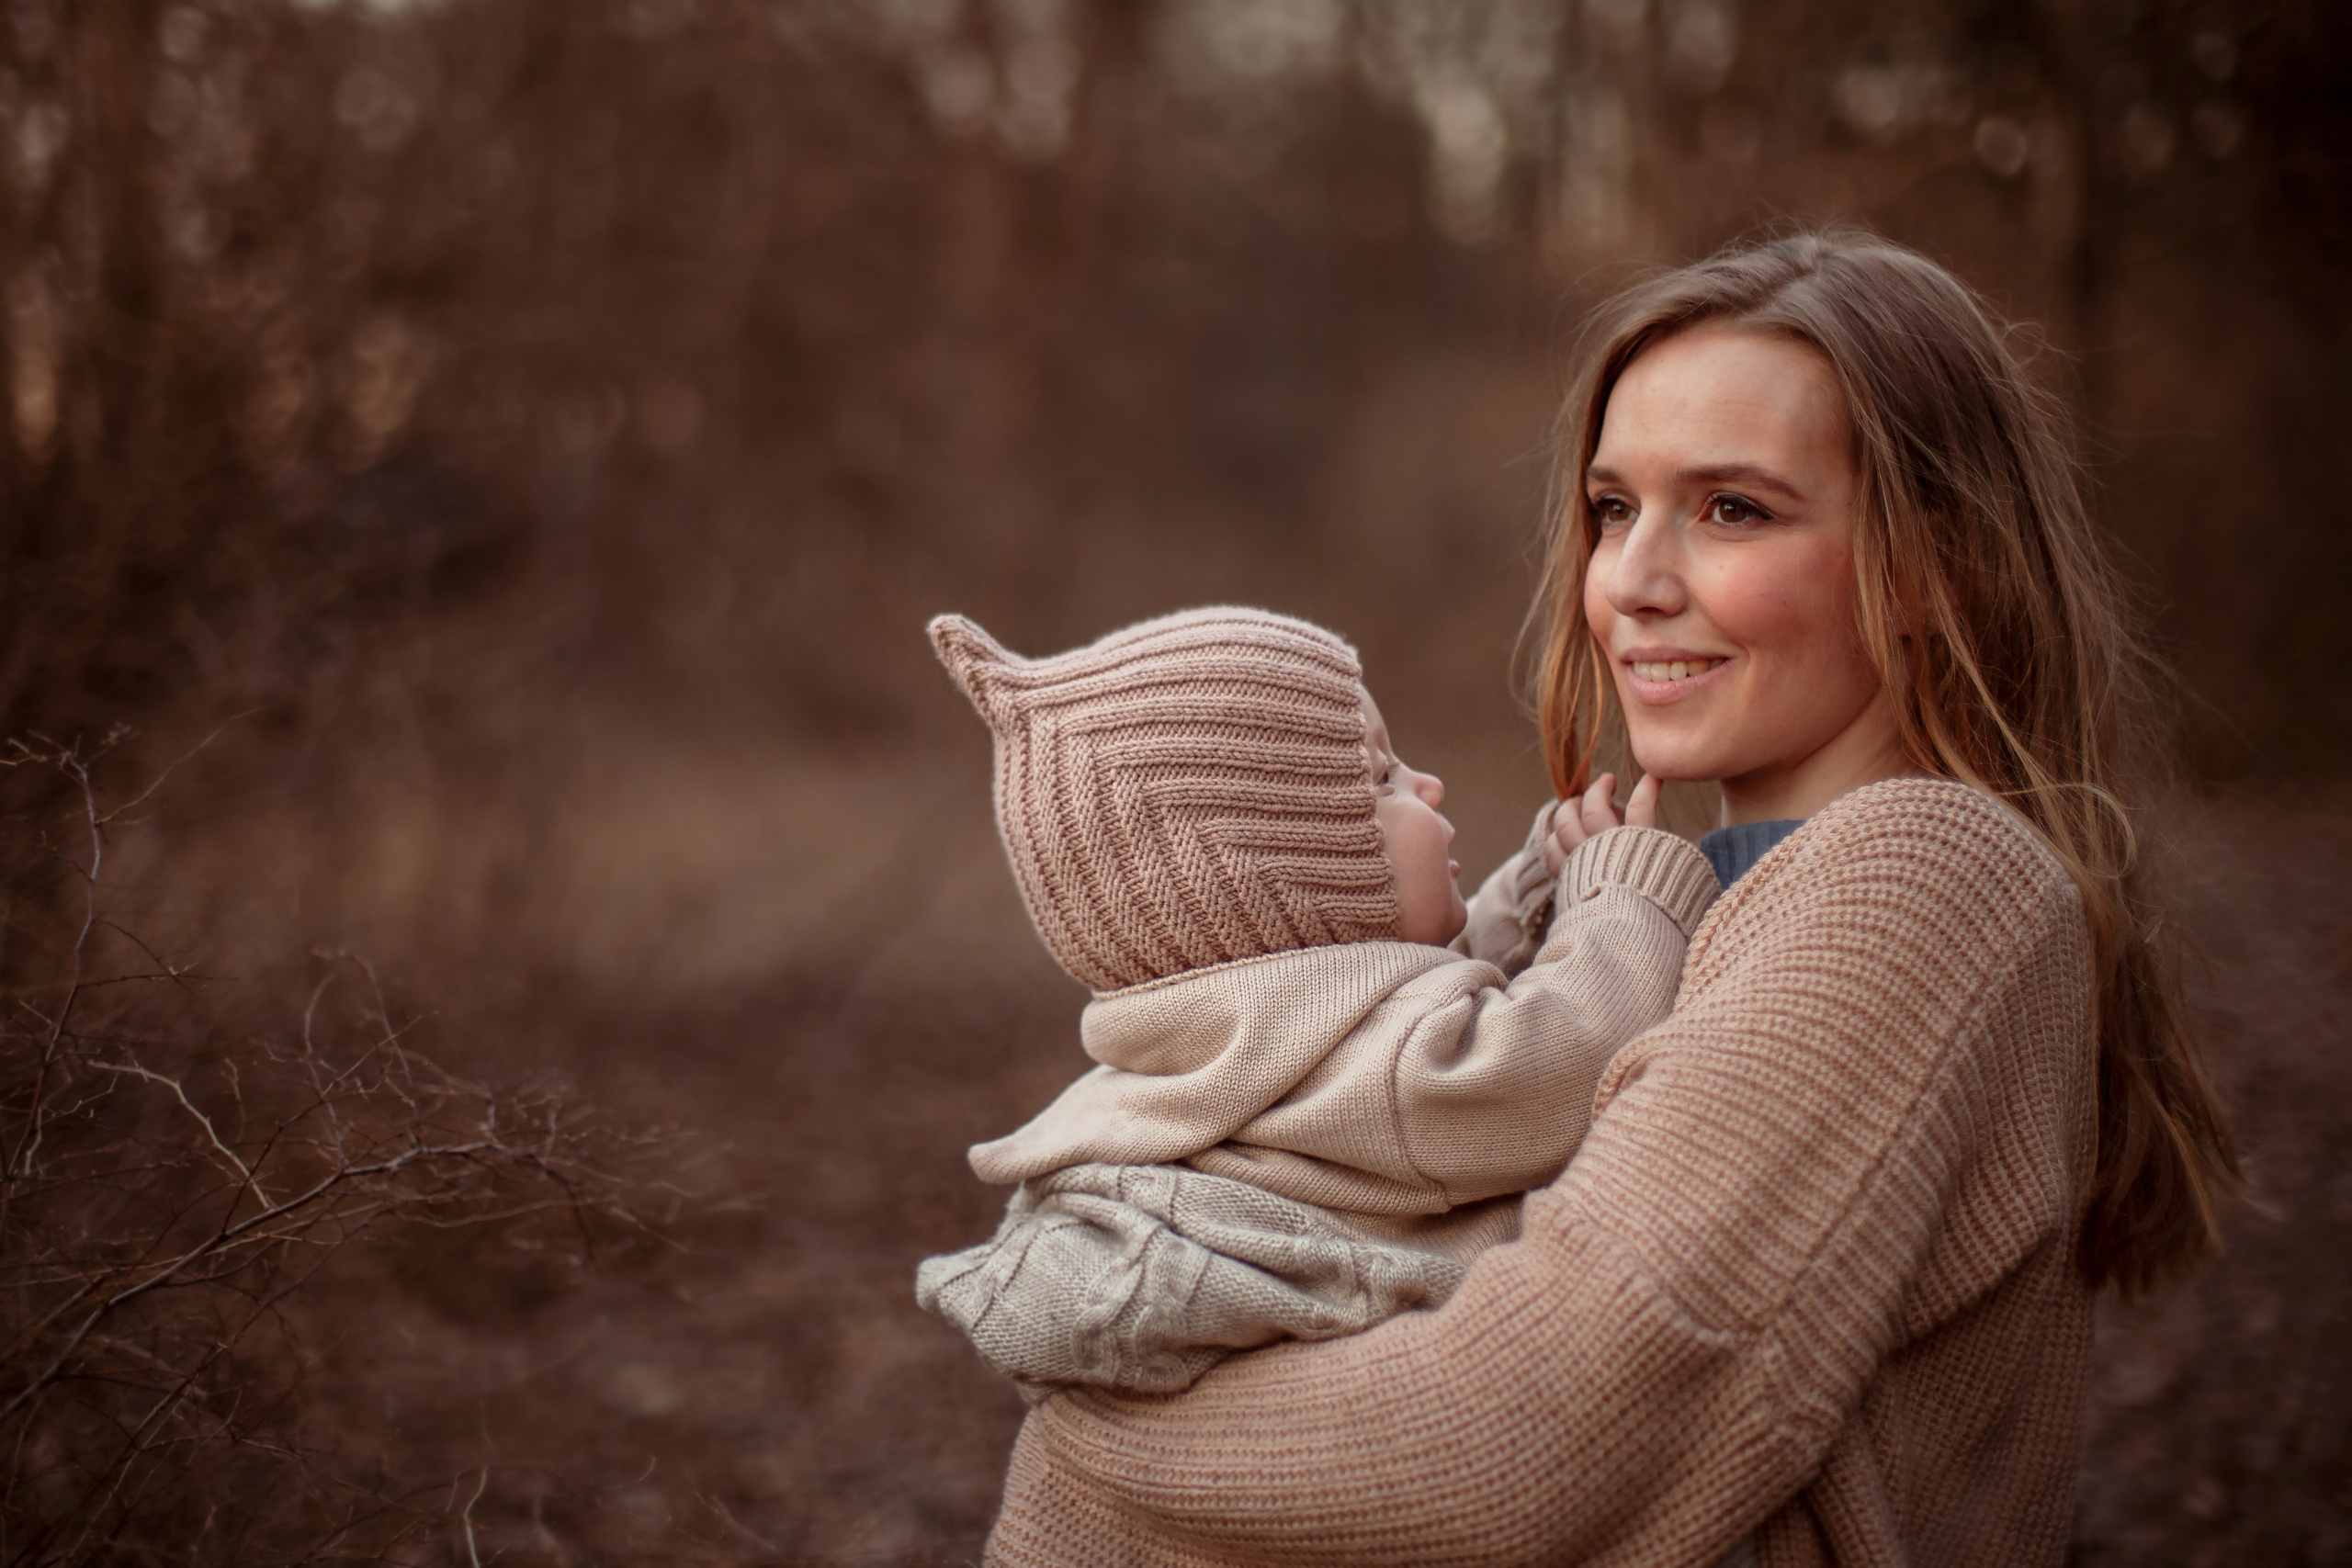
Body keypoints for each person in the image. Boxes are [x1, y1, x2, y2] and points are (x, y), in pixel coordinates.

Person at [978, 231, 2239, 1567]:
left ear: (1940, 568)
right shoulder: (1742, 893)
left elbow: (1523, 1436)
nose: (1632, 580)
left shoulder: (1919, 879)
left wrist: (1097, 1446)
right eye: (1613, 506)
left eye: (1732, 507)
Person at [916, 606, 1718, 1397]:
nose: (1428, 782)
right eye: (1380, 778)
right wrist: (1623, 899)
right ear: (1294, 885)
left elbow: (1413, 995)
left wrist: (1545, 887)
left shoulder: (1257, 1032)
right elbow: (1551, 1061)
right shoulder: (1405, 1072)